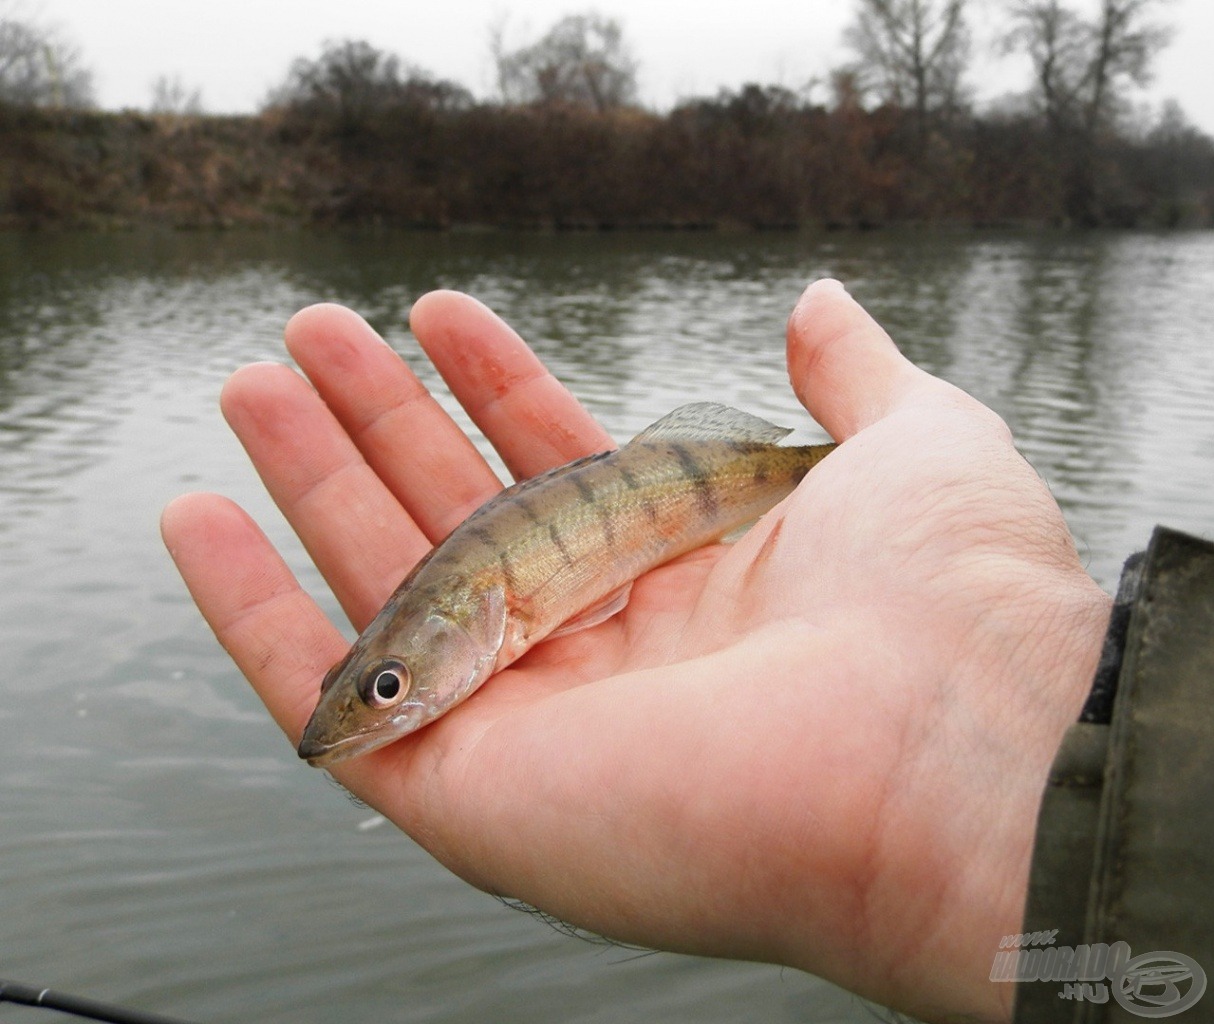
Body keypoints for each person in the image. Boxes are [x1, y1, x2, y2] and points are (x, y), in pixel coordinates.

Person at [160, 280, 1112, 1024]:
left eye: (390, 685)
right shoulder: (468, 613)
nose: (389, 699)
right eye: (381, 686)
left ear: (474, 620)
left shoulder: (500, 602)